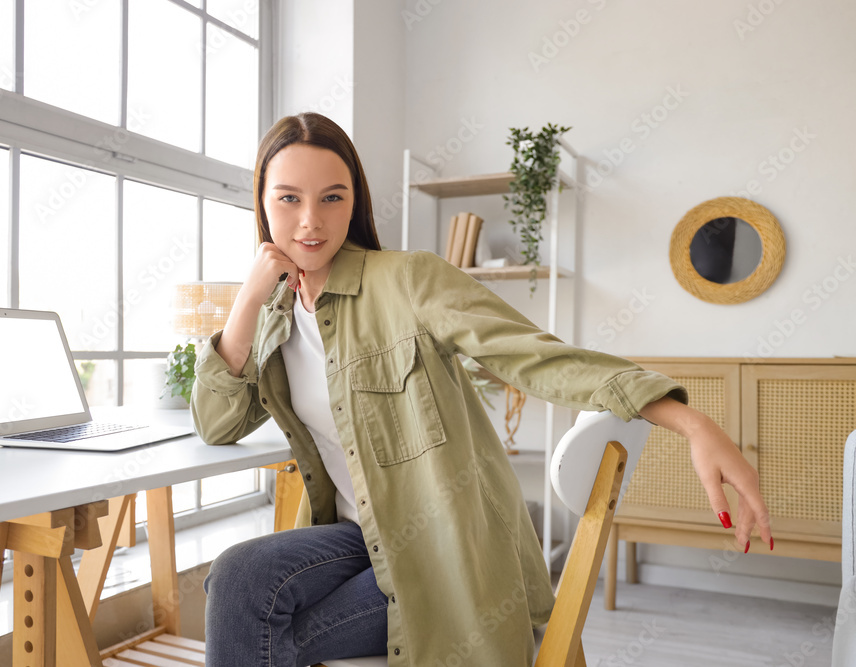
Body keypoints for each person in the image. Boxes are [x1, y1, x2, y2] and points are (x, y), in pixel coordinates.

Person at [191, 112, 773, 667]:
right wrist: (247, 299)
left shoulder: (409, 280)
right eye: (288, 198)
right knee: (239, 577)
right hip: (354, 540)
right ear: (262, 203)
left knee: (256, 622)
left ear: (355, 203)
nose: (310, 222)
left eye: (332, 197)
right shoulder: (271, 315)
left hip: (445, 554)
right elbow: (217, 425)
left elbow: (537, 358)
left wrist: (690, 421)